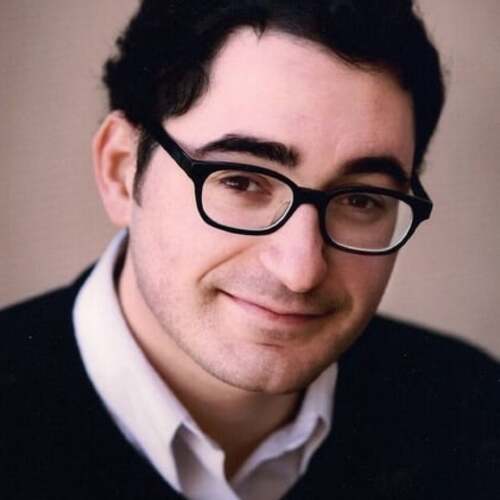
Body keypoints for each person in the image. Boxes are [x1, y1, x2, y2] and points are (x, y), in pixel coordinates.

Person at [1, 1, 498, 499]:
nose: (300, 270)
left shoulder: (471, 413)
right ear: (121, 169)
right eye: (241, 181)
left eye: (360, 200)